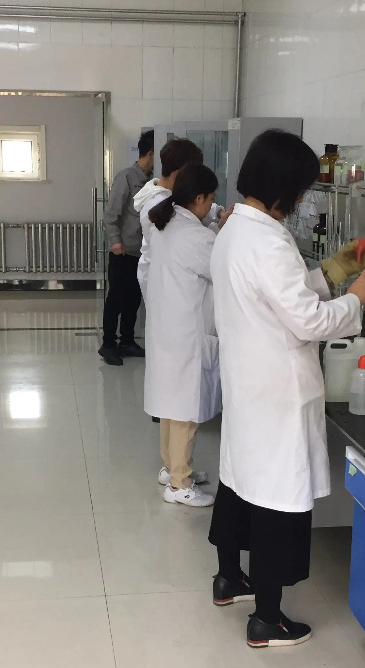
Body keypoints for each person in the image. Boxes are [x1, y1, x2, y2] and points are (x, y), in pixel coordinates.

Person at [208, 129, 365, 647]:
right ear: (285, 189)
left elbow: (278, 294)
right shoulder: (268, 242)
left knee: (241, 482)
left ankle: (229, 578)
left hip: (248, 384)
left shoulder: (236, 229)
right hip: (277, 390)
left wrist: (333, 270)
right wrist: (355, 298)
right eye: (302, 190)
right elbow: (307, 321)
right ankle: (267, 618)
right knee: (277, 501)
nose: (302, 200)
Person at [144, 164, 222, 508]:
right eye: (211, 199)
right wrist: (224, 230)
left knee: (170, 406)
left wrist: (216, 226)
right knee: (185, 411)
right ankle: (180, 484)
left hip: (167, 328)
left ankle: (172, 468)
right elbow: (223, 267)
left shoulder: (167, 223)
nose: (212, 206)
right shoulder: (196, 237)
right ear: (199, 198)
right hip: (185, 335)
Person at [133, 138, 228, 300]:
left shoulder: (167, 195)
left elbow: (192, 205)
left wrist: (217, 212)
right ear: (178, 175)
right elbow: (190, 234)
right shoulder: (157, 204)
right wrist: (217, 227)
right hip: (166, 282)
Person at [98, 129, 154, 367]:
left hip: (140, 252)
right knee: (116, 299)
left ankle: (127, 341)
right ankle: (108, 344)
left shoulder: (152, 181)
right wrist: (115, 241)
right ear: (150, 153)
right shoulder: (126, 178)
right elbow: (110, 215)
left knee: (133, 299)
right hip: (123, 251)